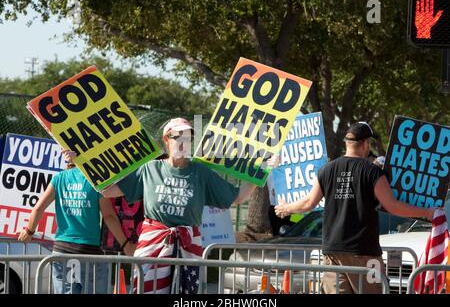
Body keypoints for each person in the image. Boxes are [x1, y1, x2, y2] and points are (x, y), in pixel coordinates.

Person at [99, 117, 279, 294]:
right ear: (166, 140)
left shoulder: (201, 172)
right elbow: (107, 191)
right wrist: (80, 163)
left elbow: (238, 197)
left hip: (188, 249)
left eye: (187, 137)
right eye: (177, 136)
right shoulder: (150, 169)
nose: (182, 142)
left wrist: (264, 170)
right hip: (152, 247)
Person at [275, 121, 437, 294]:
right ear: (365, 144)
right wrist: (426, 212)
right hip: (364, 251)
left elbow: (309, 203)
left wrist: (286, 208)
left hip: (333, 250)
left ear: (347, 143)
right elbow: (392, 206)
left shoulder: (326, 170)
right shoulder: (372, 172)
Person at [17, 150, 136, 294]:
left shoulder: (59, 178)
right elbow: (109, 216)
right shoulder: (95, 181)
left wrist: (29, 231)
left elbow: (39, 207)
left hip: (62, 250)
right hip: (90, 252)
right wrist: (125, 244)